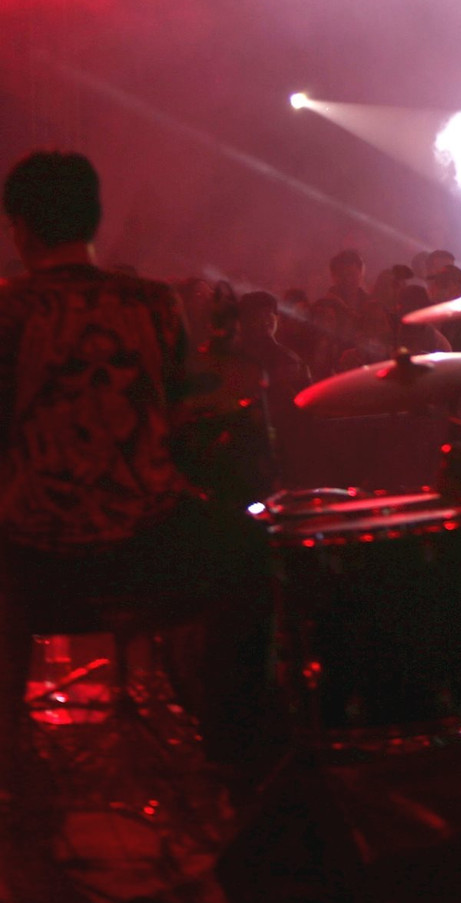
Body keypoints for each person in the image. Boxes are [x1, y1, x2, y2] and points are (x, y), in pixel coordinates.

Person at [0, 152, 275, 796]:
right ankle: (235, 751)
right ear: (93, 219)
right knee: (254, 549)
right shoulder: (154, 302)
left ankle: (11, 770)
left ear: (21, 229)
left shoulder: (8, 309)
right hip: (149, 546)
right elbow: (178, 420)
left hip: (38, 562)